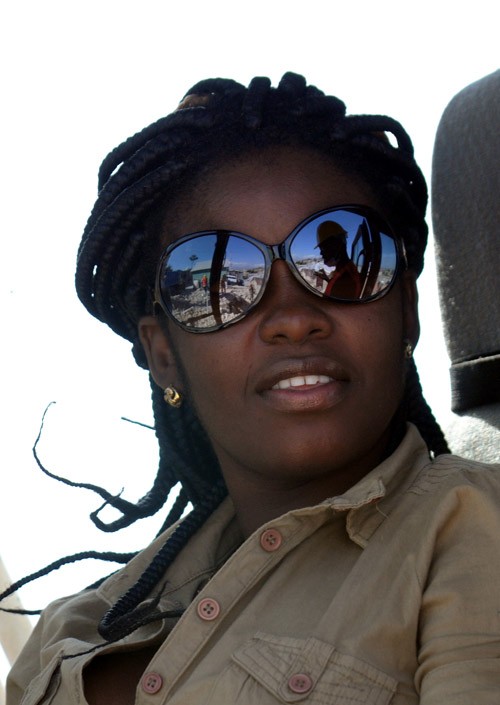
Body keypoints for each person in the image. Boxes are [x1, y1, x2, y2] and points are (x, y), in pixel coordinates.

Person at [4, 73, 500, 704]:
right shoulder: (69, 632)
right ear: (164, 356)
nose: (293, 316)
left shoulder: (472, 532)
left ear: (406, 308)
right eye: (217, 282)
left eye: (345, 260)